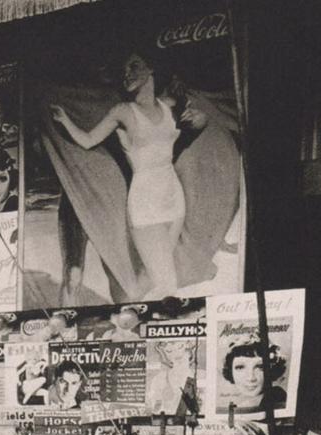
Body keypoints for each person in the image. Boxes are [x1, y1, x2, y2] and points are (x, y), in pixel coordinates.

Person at [50, 48, 207, 299]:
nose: (127, 74)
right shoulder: (123, 111)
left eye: (134, 66)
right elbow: (89, 141)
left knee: (154, 274)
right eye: (124, 70)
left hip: (174, 198)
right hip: (145, 202)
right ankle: (139, 316)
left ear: (151, 69)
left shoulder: (168, 107)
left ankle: (126, 314)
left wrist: (200, 119)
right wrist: (65, 120)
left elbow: (198, 122)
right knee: (167, 280)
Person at [222, 336, 287, 414]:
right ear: (230, 370)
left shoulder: (277, 397)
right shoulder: (245, 405)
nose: (251, 378)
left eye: (260, 367)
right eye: (240, 367)